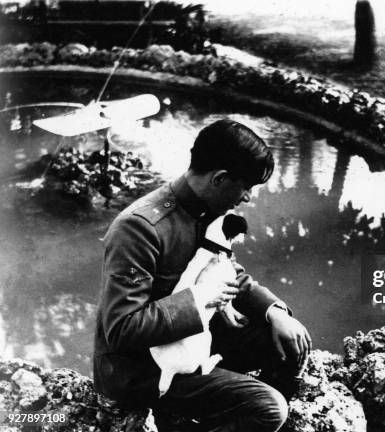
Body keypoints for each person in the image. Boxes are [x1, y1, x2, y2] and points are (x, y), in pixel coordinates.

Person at [94, 119, 312, 431]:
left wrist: (274, 312)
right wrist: (200, 299)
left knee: (290, 342)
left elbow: (226, 271)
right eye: (246, 187)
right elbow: (121, 329)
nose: (248, 197)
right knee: (268, 410)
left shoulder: (210, 209)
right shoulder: (139, 228)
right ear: (220, 179)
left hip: (194, 341)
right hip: (142, 368)